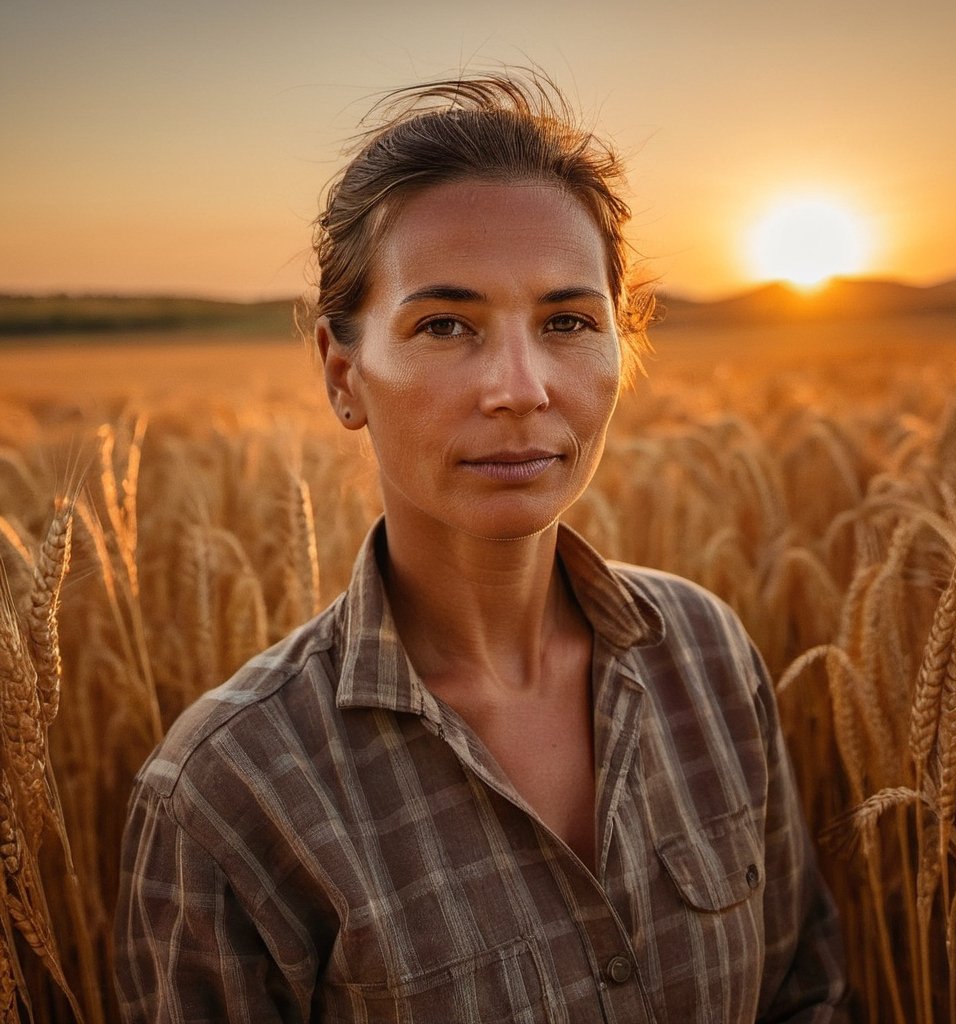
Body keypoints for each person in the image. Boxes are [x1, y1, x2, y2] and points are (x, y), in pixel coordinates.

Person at [115, 70, 847, 1022]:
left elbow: (807, 995)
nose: (519, 386)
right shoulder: (229, 789)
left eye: (568, 322)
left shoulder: (706, 656)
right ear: (344, 375)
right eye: (446, 324)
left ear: (621, 354)